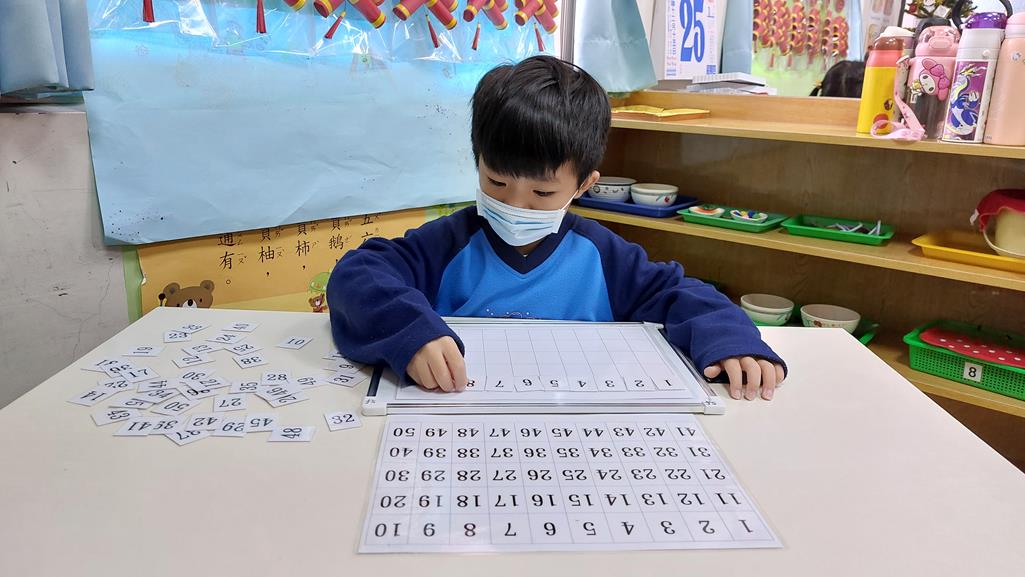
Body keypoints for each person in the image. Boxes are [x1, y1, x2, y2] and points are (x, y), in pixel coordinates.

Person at [328, 56, 786, 401]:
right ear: (477, 161)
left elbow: (681, 294)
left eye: (542, 193)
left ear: (584, 185)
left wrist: (730, 340)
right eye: (496, 182)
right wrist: (411, 333)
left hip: (577, 420)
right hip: (461, 416)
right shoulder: (448, 244)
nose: (513, 204)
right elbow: (358, 275)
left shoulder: (602, 255)